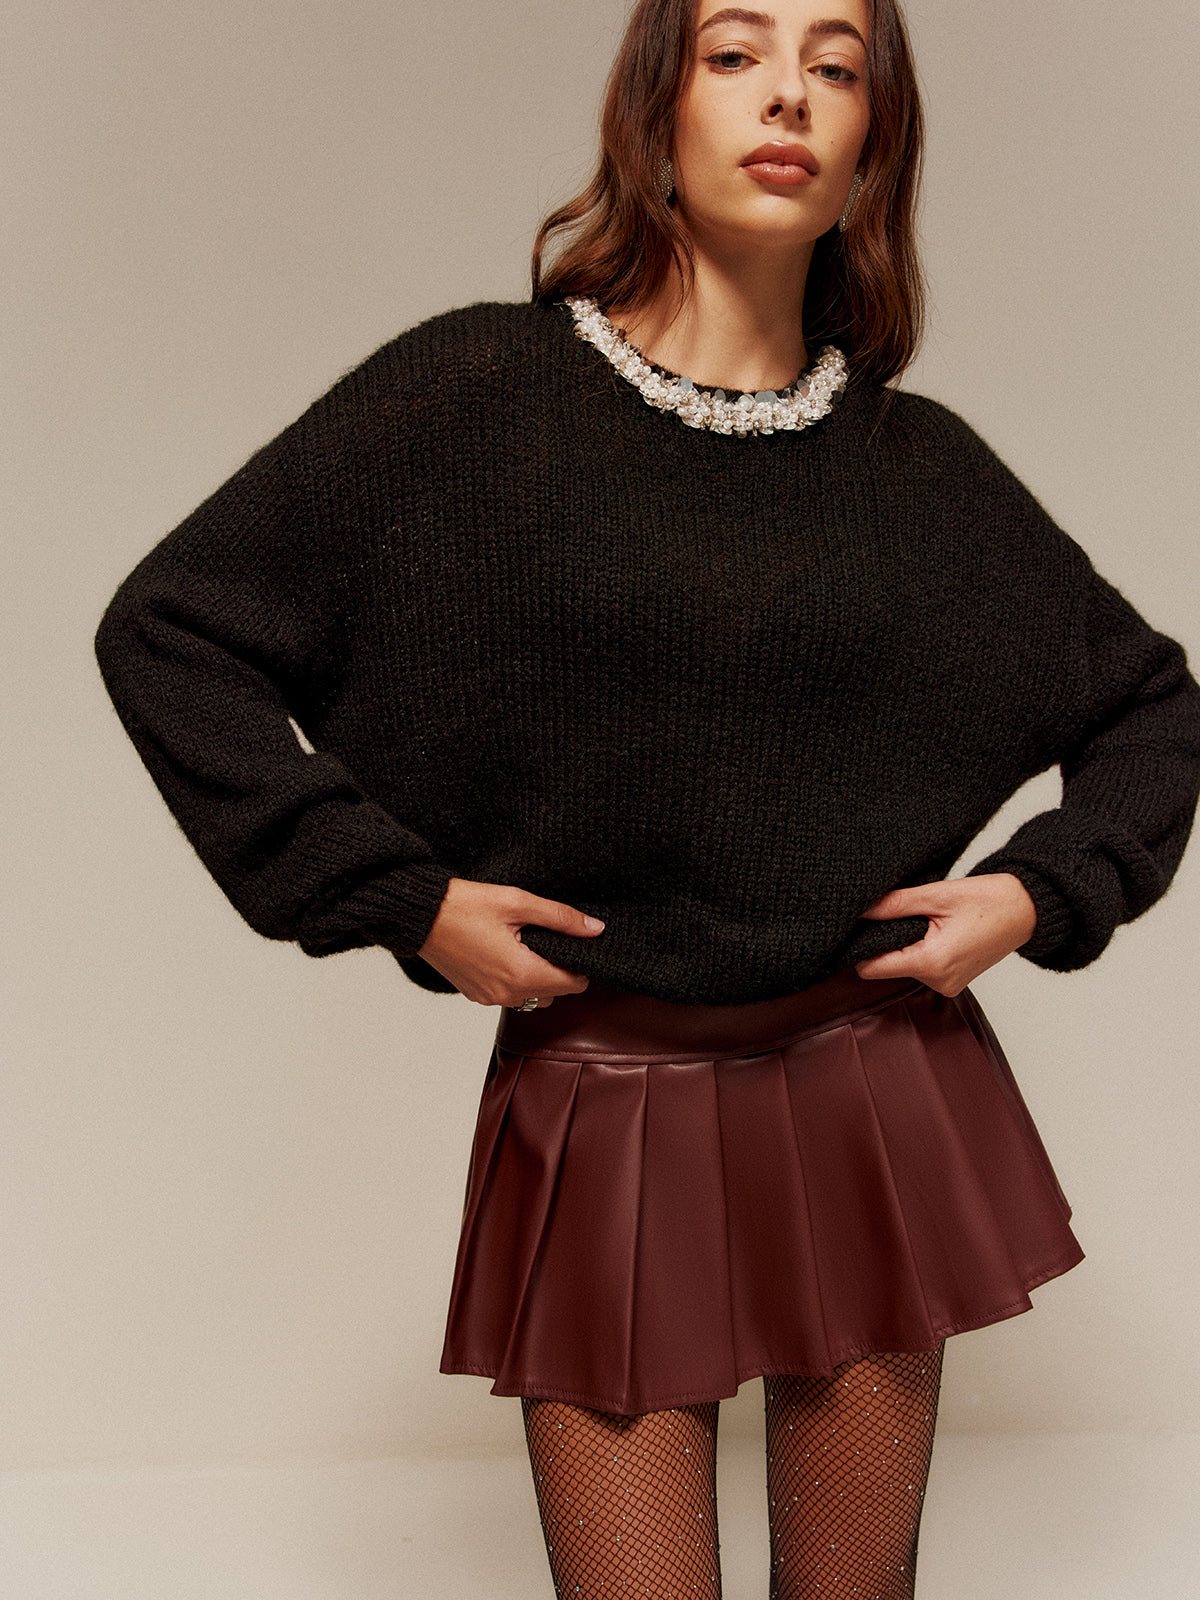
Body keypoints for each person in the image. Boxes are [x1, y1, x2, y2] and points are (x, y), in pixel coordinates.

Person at [94, 0, 1200, 1594]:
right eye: (737, 53)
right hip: (604, 1095)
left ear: (874, 146)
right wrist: (399, 896)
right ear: (655, 113)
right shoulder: (475, 392)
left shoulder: (923, 469)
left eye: (837, 68)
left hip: (878, 1089)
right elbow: (172, 631)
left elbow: (1153, 709)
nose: (789, 96)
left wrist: (1038, 889)